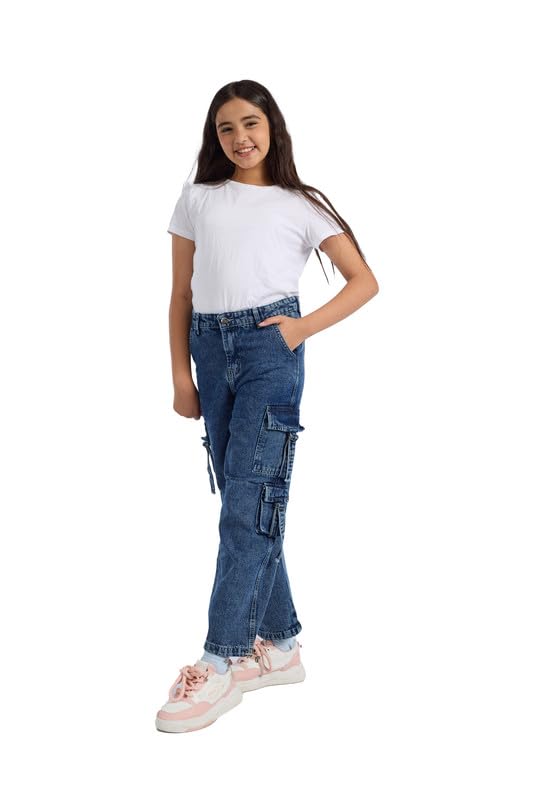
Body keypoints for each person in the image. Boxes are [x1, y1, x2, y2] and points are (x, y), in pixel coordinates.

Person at [155, 79, 379, 734]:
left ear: (272, 128)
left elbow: (364, 280)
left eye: (250, 123)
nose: (239, 137)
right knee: (243, 502)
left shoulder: (299, 203)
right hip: (208, 349)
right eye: (225, 128)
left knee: (248, 506)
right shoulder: (197, 197)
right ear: (214, 138)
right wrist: (181, 377)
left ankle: (221, 659)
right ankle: (278, 646)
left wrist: (299, 328)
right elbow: (179, 293)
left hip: (268, 351)